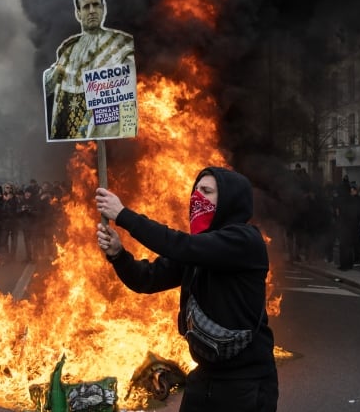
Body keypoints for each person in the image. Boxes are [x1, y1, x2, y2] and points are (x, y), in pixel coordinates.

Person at [94, 167, 278, 411]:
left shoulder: (245, 240)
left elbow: (181, 246)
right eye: (196, 190)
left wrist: (124, 215)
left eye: (207, 191)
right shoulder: (197, 249)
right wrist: (118, 255)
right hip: (204, 376)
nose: (197, 197)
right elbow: (146, 279)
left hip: (246, 382)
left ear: (229, 200)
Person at [43, 0, 135, 140]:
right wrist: (54, 74)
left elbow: (129, 92)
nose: (92, 10)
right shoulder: (67, 50)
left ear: (103, 9)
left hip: (109, 130)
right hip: (73, 136)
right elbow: (50, 86)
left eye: (96, 5)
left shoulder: (123, 44)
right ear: (78, 13)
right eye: (86, 7)